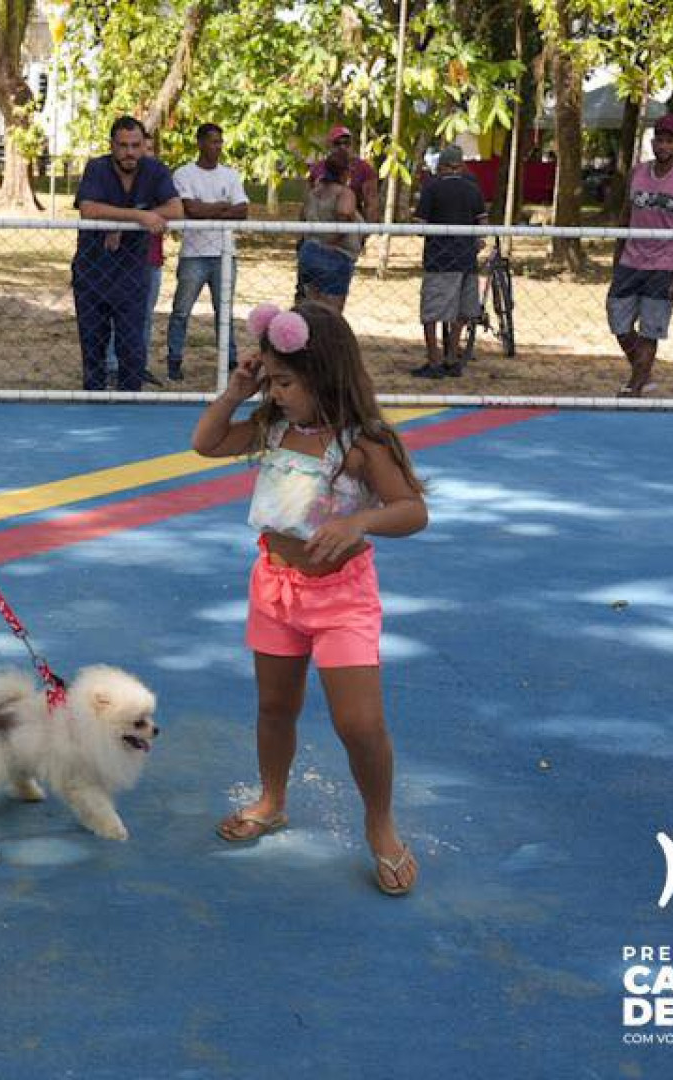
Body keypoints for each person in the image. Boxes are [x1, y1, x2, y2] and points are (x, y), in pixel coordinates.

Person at [189, 302, 428, 896]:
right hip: (274, 588)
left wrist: (361, 523)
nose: (277, 390)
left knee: (360, 723)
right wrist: (237, 389)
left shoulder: (363, 442)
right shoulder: (272, 427)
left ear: (325, 373)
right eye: (270, 378)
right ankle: (272, 798)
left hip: (341, 597)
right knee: (275, 708)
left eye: (285, 381)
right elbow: (205, 442)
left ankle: (380, 825)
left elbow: (413, 510)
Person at [73, 115, 183, 391]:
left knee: (132, 348)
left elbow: (176, 209)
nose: (130, 152)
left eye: (136, 145)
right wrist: (137, 217)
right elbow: (89, 209)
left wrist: (125, 223)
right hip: (92, 273)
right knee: (93, 347)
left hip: (133, 274)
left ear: (144, 145)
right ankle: (93, 404)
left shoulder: (155, 170)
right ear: (112, 145)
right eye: (123, 145)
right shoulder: (97, 169)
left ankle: (130, 406)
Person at [608, 113, 673, 397]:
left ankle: (635, 385)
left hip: (666, 263)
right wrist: (617, 255)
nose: (663, 145)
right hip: (632, 258)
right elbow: (626, 217)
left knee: (651, 327)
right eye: (658, 140)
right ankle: (644, 372)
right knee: (619, 321)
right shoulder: (638, 172)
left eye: (669, 140)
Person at [167, 122, 250, 382]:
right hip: (194, 254)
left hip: (225, 253)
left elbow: (243, 210)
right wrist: (223, 208)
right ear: (200, 143)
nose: (218, 147)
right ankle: (174, 358)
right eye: (213, 142)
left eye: (220, 142)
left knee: (224, 309)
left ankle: (229, 359)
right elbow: (191, 209)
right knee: (182, 310)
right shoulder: (184, 174)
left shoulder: (231, 175)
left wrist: (209, 209)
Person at [410, 143, 488, 378]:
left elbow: (420, 226)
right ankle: (452, 357)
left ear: (441, 167)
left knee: (432, 312)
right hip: (467, 260)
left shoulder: (432, 188)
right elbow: (482, 225)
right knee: (463, 312)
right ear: (461, 166)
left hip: (440, 258)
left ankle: (434, 359)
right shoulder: (473, 189)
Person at [298, 157, 361, 314]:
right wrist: (332, 241)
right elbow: (344, 214)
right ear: (345, 173)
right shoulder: (344, 193)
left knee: (311, 305)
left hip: (310, 252)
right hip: (335, 255)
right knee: (331, 312)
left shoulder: (314, 192)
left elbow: (302, 216)